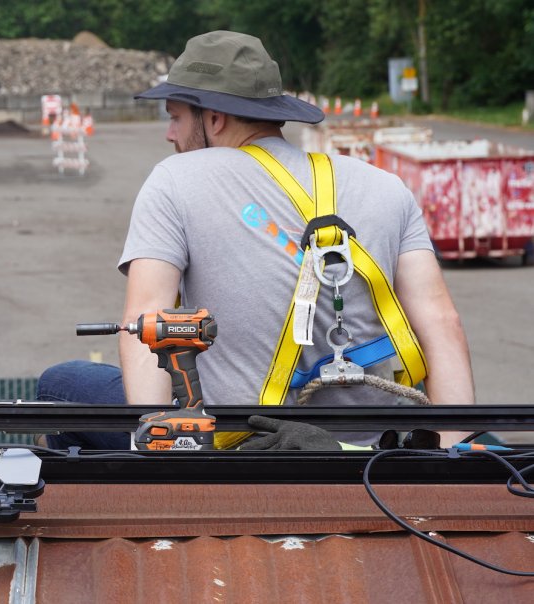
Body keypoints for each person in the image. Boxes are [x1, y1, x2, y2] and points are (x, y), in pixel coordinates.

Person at [38, 31, 474, 449]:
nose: (169, 134)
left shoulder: (175, 180)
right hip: (365, 452)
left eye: (175, 117)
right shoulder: (386, 186)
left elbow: (146, 322)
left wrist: (163, 461)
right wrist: (454, 464)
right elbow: (441, 323)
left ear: (214, 117)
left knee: (60, 384)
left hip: (240, 449)